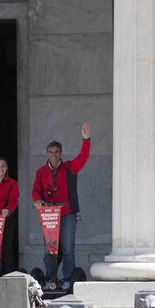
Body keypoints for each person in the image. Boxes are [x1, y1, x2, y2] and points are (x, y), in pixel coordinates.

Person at [32, 122, 91, 290]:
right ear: (47, 154)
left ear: (61, 153)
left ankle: (67, 278)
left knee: (67, 248)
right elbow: (36, 190)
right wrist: (37, 201)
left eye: (56, 152)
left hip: (67, 214)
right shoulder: (41, 172)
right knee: (48, 249)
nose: (53, 155)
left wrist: (86, 139)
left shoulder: (69, 168)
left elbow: (83, 157)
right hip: (49, 215)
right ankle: (51, 278)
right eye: (50, 152)